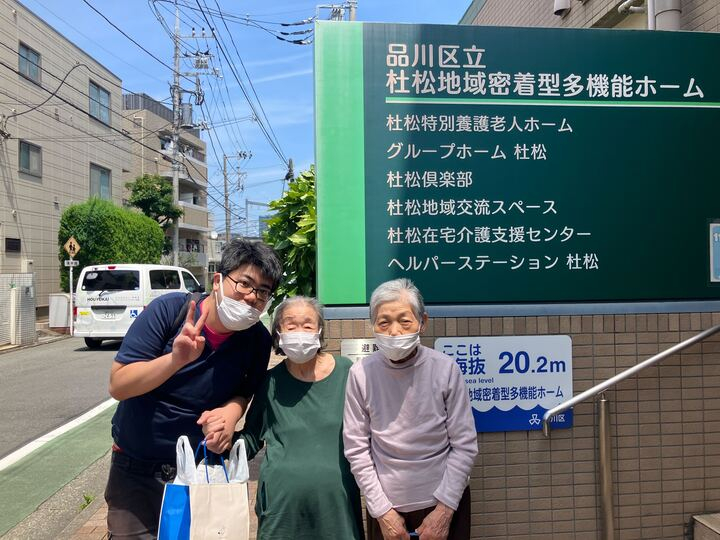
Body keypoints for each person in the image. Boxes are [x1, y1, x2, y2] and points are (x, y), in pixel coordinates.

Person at [104, 239, 282, 539]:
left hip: (203, 471)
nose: (252, 297)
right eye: (244, 284)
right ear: (217, 281)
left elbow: (244, 392)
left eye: (263, 291)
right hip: (136, 469)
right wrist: (175, 360)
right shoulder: (169, 310)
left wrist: (230, 414)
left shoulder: (257, 340)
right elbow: (119, 385)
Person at [343, 278, 478, 540]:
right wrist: (382, 512)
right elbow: (356, 449)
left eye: (404, 321)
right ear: (373, 326)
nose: (394, 332)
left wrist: (444, 511)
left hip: (446, 504)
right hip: (387, 510)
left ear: (422, 322)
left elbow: (465, 445)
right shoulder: (360, 374)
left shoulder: (445, 369)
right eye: (384, 322)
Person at [235, 296, 365, 540]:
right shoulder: (270, 381)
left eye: (307, 325)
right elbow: (251, 437)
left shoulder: (346, 372)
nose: (300, 332)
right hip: (281, 509)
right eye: (291, 325)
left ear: (319, 331)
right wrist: (223, 441)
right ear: (278, 333)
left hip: (337, 507)